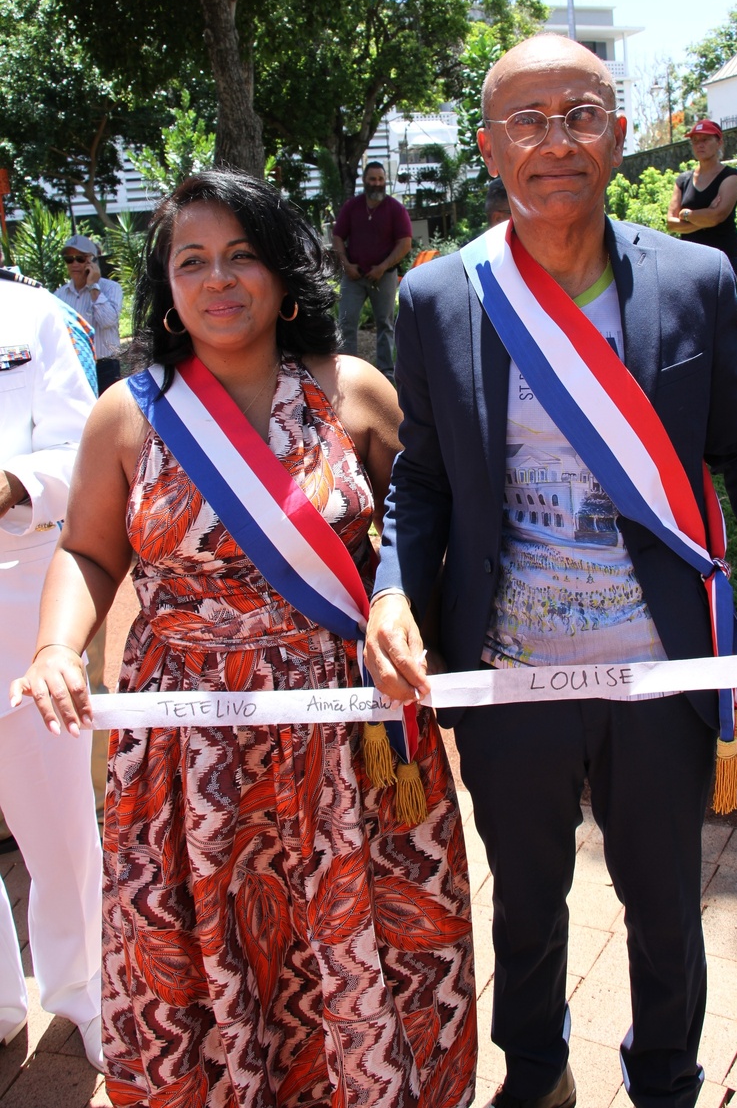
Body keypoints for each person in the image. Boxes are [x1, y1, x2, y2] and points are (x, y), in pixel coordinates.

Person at [364, 35, 737, 1108]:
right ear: (490, 149)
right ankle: (535, 1076)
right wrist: (394, 585)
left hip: (660, 666)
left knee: (667, 906)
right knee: (524, 903)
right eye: (526, 121)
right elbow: (424, 480)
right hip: (509, 667)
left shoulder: (691, 278)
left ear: (619, 137)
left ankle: (666, 1080)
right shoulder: (441, 298)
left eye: (579, 114)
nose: (555, 142)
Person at [13, 170, 475, 1107]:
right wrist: (57, 645)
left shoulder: (351, 390)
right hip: (189, 747)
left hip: (350, 733)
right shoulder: (129, 415)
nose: (218, 279)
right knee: (216, 950)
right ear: (166, 286)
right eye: (193, 261)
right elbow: (91, 553)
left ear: (281, 270)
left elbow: (425, 525)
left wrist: (400, 603)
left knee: (367, 946)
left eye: (242, 256)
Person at [0, 266, 103, 1070]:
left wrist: (14, 483)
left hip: (20, 610)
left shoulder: (34, 315)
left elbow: (87, 456)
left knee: (61, 830)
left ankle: (91, 998)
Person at [332, 161, 413, 379]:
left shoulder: (396, 209)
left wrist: (383, 267)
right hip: (354, 275)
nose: (377, 183)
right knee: (346, 321)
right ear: (365, 181)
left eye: (380, 179)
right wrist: (346, 265)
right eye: (372, 179)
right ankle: (347, 370)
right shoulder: (352, 206)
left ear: (385, 181)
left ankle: (385, 372)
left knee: (385, 324)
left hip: (383, 276)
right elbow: (338, 236)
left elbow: (405, 243)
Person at [667, 118, 737, 276]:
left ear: (719, 142)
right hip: (689, 259)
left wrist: (686, 214)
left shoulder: (730, 177)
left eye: (706, 139)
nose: (700, 144)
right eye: (695, 141)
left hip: (723, 258)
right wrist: (706, 216)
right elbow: (671, 223)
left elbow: (717, 216)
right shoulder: (683, 180)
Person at [55, 234, 124, 394]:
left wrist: (93, 286)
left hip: (105, 365)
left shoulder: (111, 288)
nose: (74, 264)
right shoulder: (59, 295)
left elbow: (108, 321)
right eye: (69, 259)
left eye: (80, 258)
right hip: (74, 366)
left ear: (92, 261)